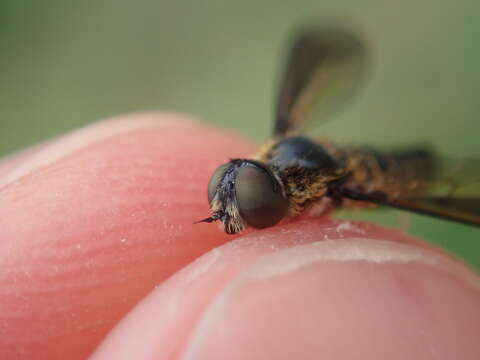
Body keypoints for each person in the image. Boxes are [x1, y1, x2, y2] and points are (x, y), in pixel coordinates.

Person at [1, 112, 479, 360]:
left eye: (243, 199)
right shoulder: (269, 173)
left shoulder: (333, 189)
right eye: (226, 186)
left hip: (390, 171)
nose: (224, 208)